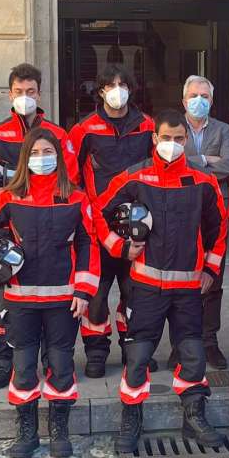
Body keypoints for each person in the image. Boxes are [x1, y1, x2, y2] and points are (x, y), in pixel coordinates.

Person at [93, 109, 228, 454]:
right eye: (166, 138)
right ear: (154, 139)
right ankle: (131, 418)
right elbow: (98, 212)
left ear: (187, 141)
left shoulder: (202, 180)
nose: (172, 145)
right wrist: (120, 247)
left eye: (179, 139)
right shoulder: (136, 177)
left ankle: (194, 415)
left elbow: (218, 230)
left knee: (193, 354)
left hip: (187, 288)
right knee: (137, 355)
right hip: (146, 287)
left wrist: (211, 270)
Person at [0, 128, 100, 458]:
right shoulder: (10, 197)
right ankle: (26, 432)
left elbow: (88, 243)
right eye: (35, 153)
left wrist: (84, 290)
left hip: (63, 301)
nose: (42, 159)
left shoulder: (76, 197)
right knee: (23, 367)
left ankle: (58, 430)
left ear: (60, 158)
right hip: (21, 301)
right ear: (25, 159)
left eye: (47, 152)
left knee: (61, 365)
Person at [0, 63, 78, 389]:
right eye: (19, 92)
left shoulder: (58, 135)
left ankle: (49, 360)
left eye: (31, 92)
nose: (25, 97)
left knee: (49, 300)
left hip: (51, 227)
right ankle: (4, 361)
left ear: (39, 93)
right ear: (10, 94)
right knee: (6, 305)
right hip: (7, 234)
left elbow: (71, 178)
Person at [68, 63, 156, 378]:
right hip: (97, 225)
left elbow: (156, 169)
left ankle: (135, 347)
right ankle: (96, 352)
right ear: (101, 90)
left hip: (137, 224)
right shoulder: (84, 129)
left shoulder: (147, 126)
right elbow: (71, 177)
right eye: (110, 85)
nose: (116, 90)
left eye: (122, 84)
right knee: (97, 294)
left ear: (131, 89)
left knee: (137, 292)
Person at [165, 75, 229, 371]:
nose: (199, 100)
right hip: (179, 214)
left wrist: (192, 160)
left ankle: (209, 342)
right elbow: (171, 164)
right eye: (193, 95)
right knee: (178, 284)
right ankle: (179, 346)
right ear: (183, 101)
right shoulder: (172, 130)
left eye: (204, 96)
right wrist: (208, 159)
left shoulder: (224, 129)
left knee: (213, 282)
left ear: (211, 100)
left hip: (213, 215)